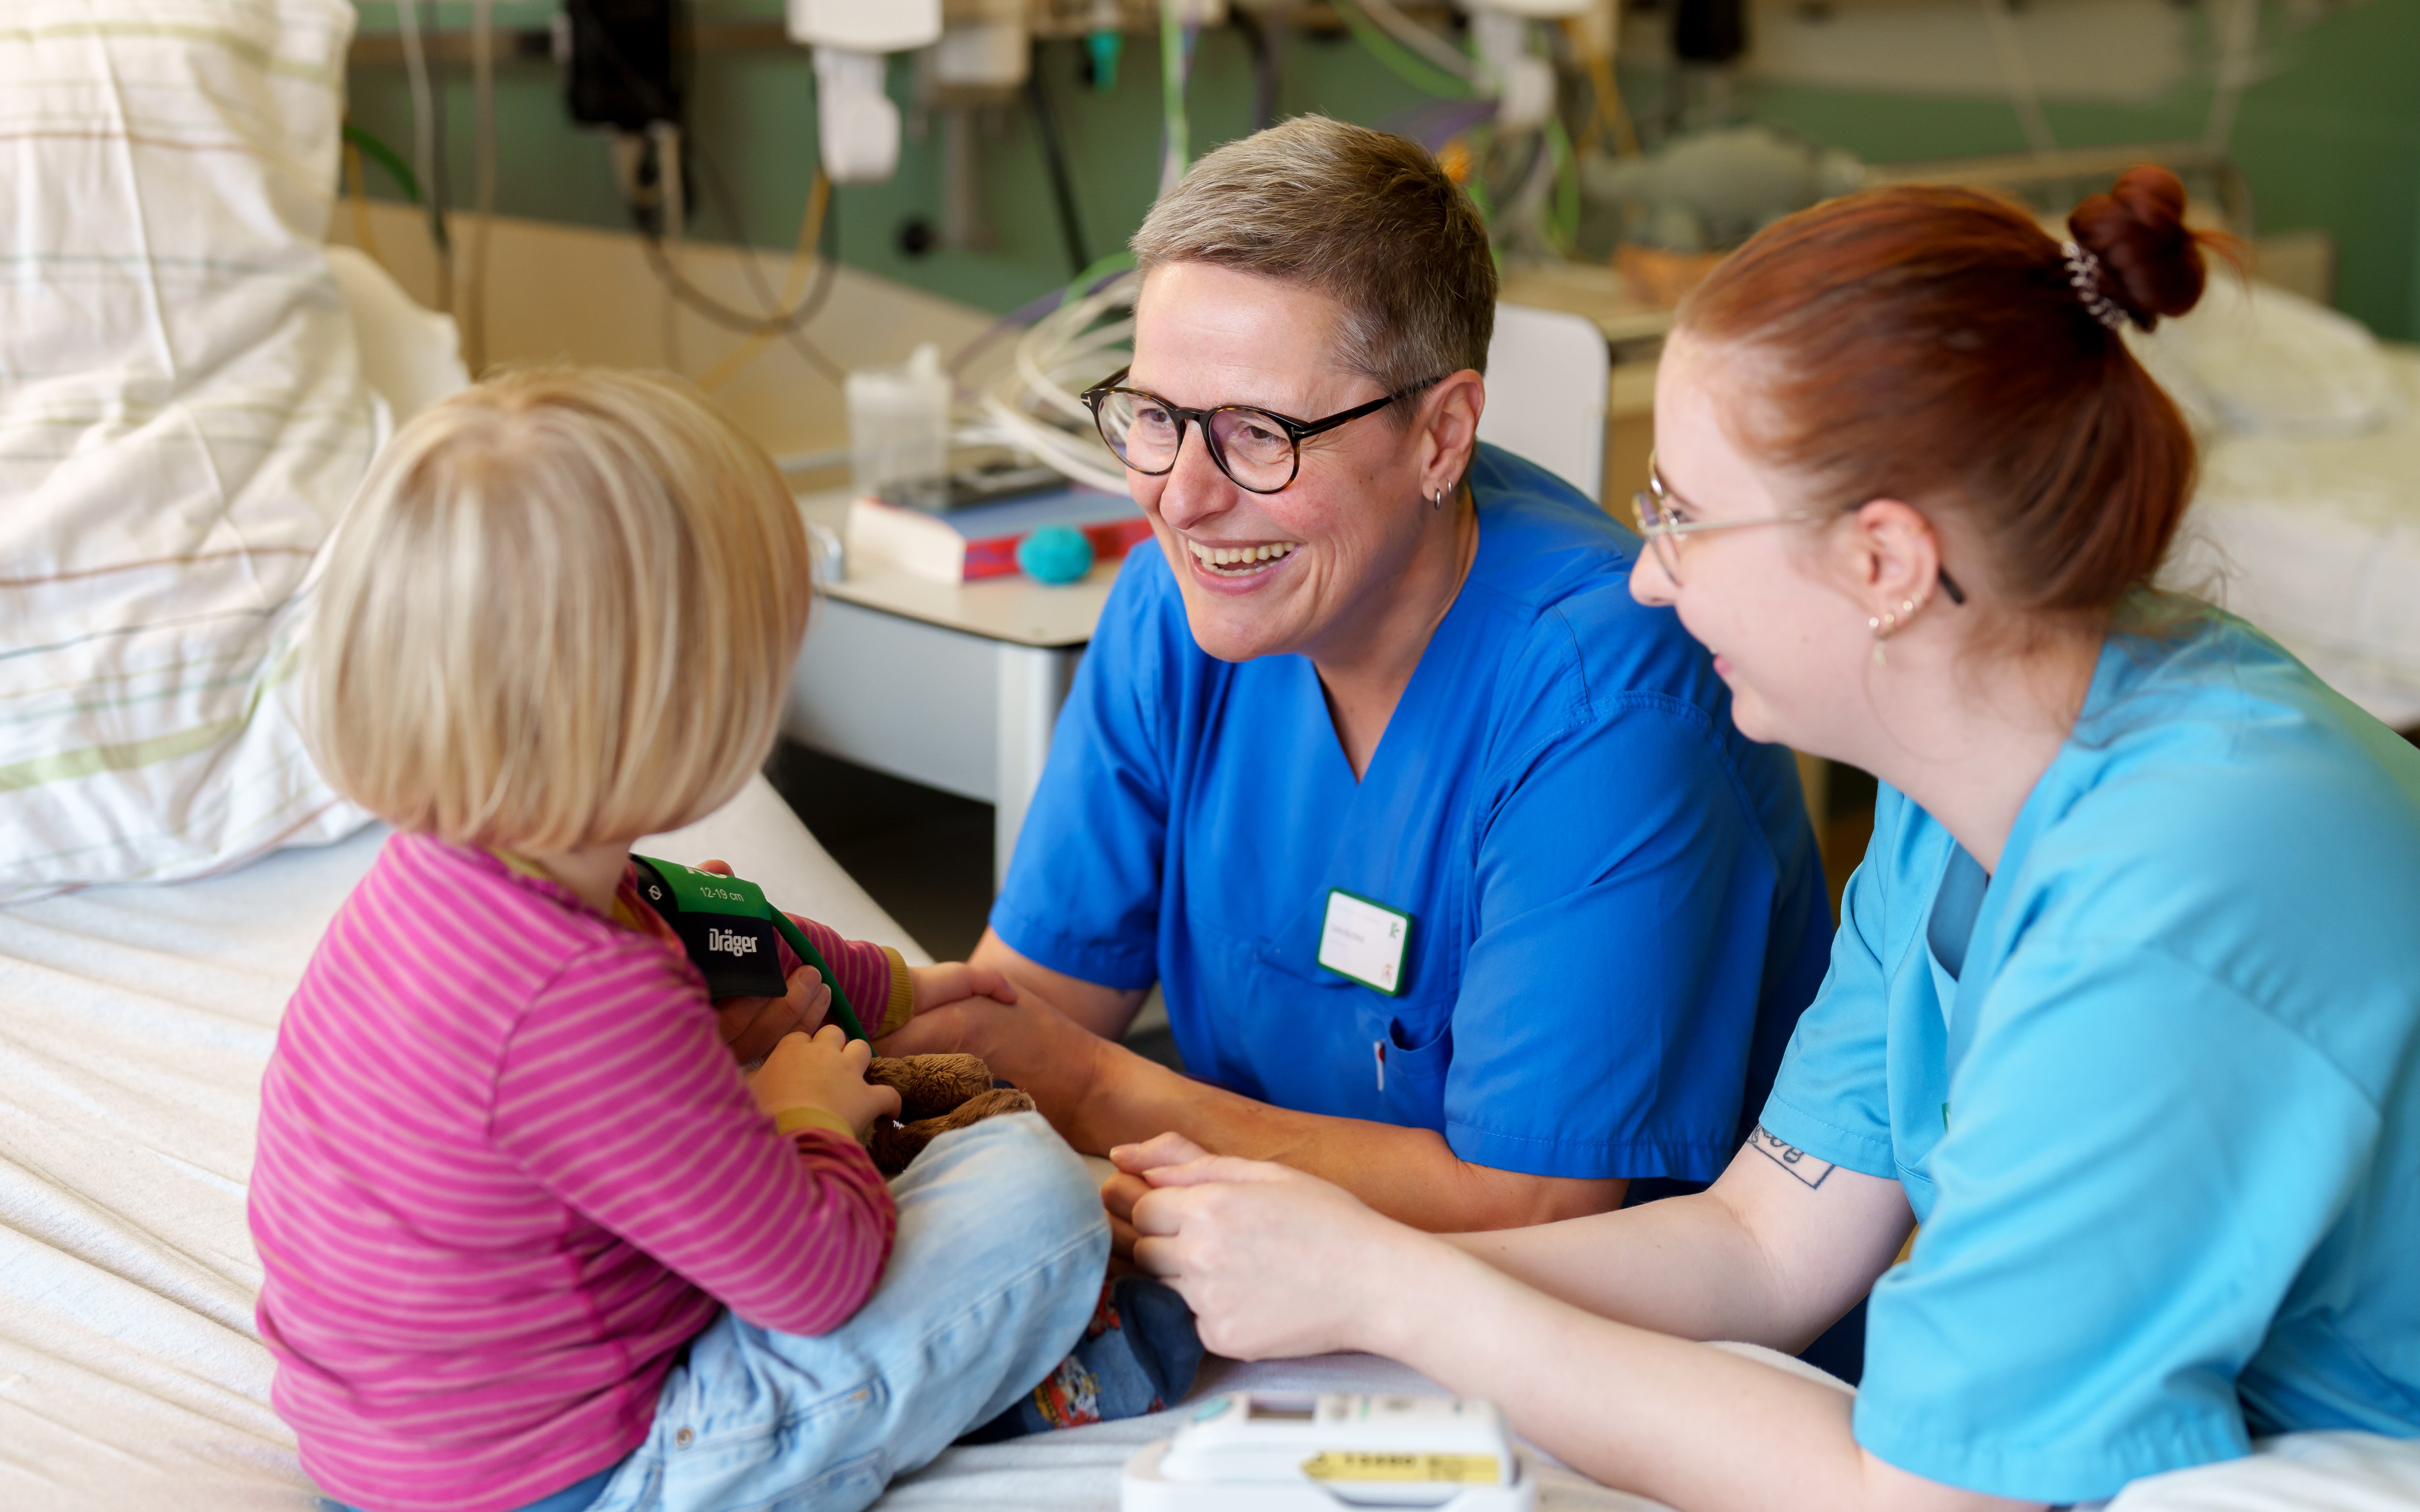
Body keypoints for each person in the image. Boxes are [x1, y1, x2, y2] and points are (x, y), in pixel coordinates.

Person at [1115, 167, 2420, 1511]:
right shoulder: (1965, 784)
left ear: (1886, 563)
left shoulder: (2179, 892)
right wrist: (1341, 1262)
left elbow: (1920, 1497)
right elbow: (1763, 1243)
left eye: (1681, 515)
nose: (1645, 575)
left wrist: (1398, 1289)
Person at [248, 369, 1199, 1512]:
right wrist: (804, 1110)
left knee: (910, 1090)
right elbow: (816, 1279)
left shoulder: (461, 883)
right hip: (575, 1480)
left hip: (401, 1444)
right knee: (1032, 1205)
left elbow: (730, 936)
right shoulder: (582, 1001)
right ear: (674, 706)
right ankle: (1023, 1377)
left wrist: (890, 989)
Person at [884, 116, 1833, 1243]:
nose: (1181, 499)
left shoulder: (1607, 703)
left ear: (1441, 437)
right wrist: (796, 1023)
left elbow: (1529, 1206)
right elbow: (1029, 1011)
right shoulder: (1174, 612)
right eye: (1154, 419)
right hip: (1280, 1296)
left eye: (1258, 435)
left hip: (1584, 1356)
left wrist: (1096, 1089)